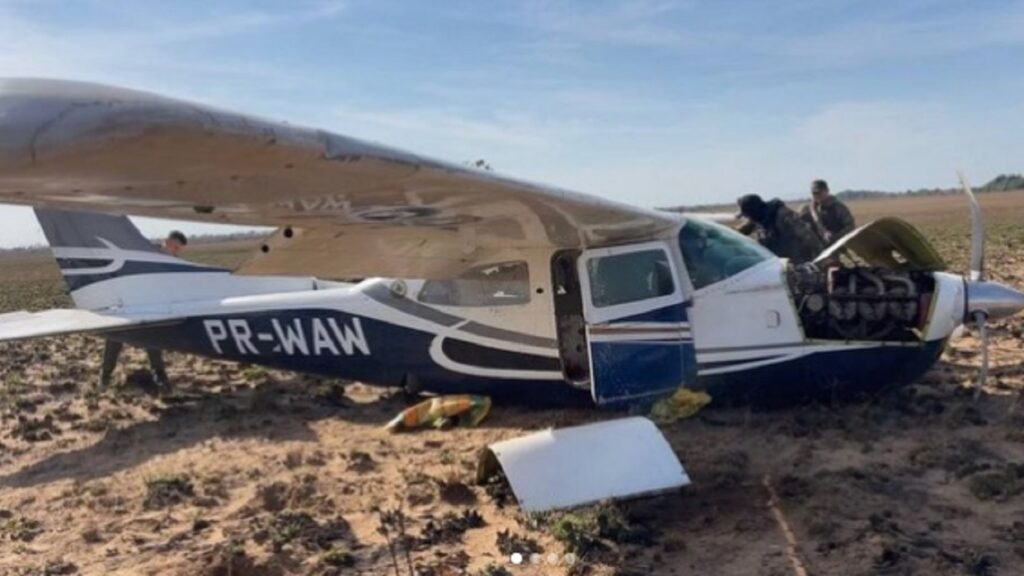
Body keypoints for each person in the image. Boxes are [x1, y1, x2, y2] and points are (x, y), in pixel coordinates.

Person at [98, 230, 188, 389]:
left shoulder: (175, 263)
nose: (174, 251)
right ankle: (104, 378)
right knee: (114, 340)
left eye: (178, 249)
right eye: (174, 246)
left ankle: (160, 377)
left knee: (153, 342)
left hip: (152, 307)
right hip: (127, 303)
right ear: (166, 241)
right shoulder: (143, 252)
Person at [736, 194, 824, 263]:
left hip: (797, 261)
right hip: (777, 263)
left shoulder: (782, 215)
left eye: (748, 215)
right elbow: (741, 231)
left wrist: (821, 257)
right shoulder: (759, 218)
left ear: (753, 211)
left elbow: (807, 235)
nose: (748, 218)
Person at [800, 179, 855, 246]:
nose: (817, 195)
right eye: (814, 193)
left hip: (837, 246)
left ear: (827, 191)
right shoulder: (806, 210)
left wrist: (836, 237)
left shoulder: (838, 208)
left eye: (819, 192)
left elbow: (850, 227)